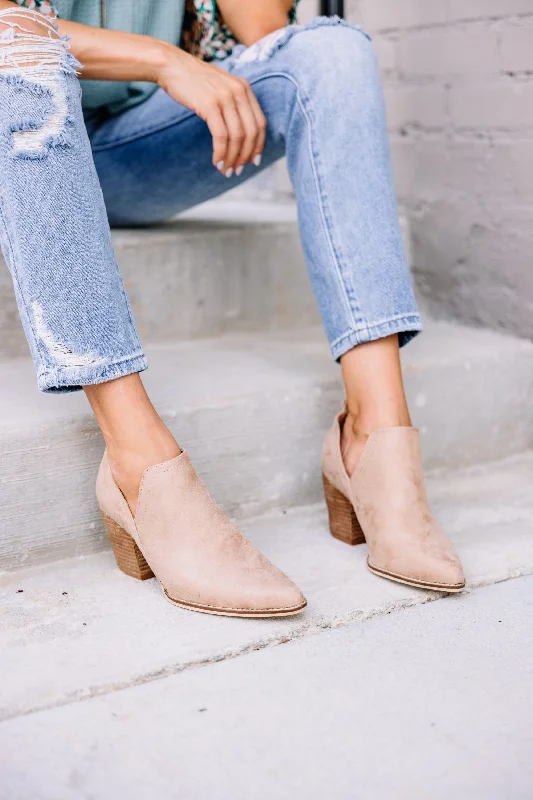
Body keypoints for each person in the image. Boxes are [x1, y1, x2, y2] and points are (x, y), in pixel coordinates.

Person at [0, 0, 465, 618]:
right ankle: (137, 466)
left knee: (330, 49)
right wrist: (162, 57)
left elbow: (267, 42)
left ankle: (373, 440)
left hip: (126, 151)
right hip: (17, 121)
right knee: (16, 43)